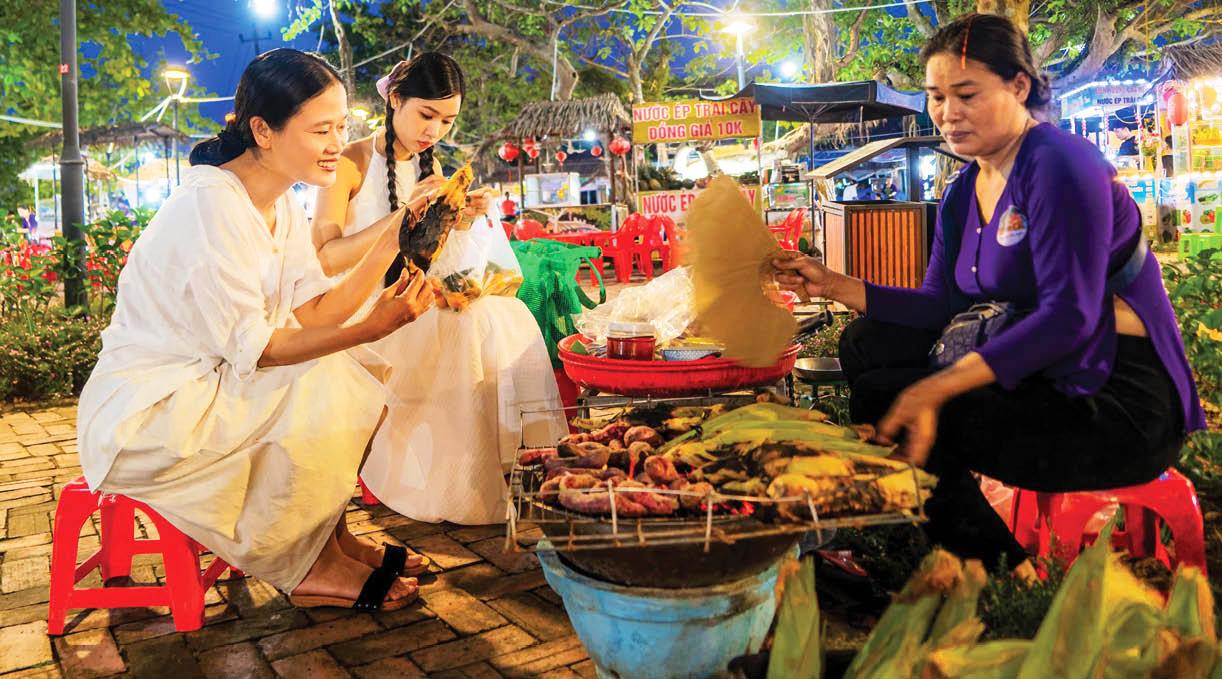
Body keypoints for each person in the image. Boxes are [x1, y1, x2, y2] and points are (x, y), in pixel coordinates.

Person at [773, 14, 1205, 579]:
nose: (947, 113)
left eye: (966, 94)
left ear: (1018, 87)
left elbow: (1069, 317)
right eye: (935, 97)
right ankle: (933, 522)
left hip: (1114, 398)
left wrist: (936, 390)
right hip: (1044, 377)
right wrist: (831, 283)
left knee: (898, 402)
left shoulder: (1059, 164)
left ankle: (1001, 576)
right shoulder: (961, 191)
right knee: (866, 344)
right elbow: (938, 306)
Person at [77, 49, 439, 612]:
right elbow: (265, 349)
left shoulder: (280, 202)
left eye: (342, 125)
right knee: (327, 382)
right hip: (148, 412)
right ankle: (310, 564)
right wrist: (371, 326)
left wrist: (394, 233)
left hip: (211, 382)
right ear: (263, 131)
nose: (338, 143)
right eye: (321, 129)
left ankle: (332, 540)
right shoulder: (211, 205)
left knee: (352, 372)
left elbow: (315, 310)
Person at [312, 53, 567, 526]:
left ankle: (496, 477)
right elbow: (326, 256)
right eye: (426, 115)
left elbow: (431, 255)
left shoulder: (433, 169)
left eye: (447, 120)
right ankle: (458, 483)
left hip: (415, 298)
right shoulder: (350, 162)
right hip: (364, 307)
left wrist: (464, 216)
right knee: (473, 329)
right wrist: (401, 216)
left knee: (503, 316)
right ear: (394, 99)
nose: (435, 131)